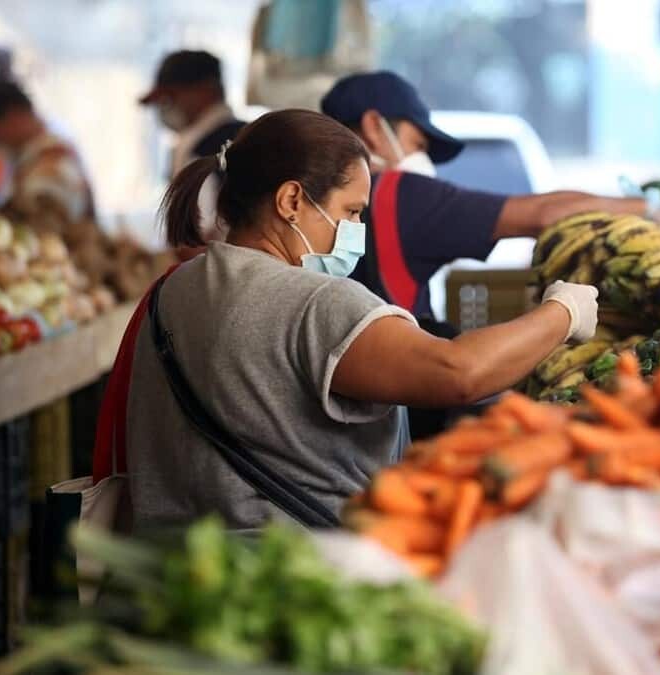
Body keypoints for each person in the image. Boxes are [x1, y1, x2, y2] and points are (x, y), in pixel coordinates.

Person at [125, 109, 598, 530]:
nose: (357, 231)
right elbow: (459, 372)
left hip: (168, 573)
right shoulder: (316, 303)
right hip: (298, 576)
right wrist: (563, 312)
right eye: (351, 211)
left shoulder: (172, 290)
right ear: (291, 201)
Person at [319, 71, 660, 321]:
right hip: (389, 408)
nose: (421, 161)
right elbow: (543, 214)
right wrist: (648, 209)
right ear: (373, 127)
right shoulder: (399, 197)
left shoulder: (309, 195)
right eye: (417, 143)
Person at [140, 50, 246, 248]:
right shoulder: (252, 134)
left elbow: (195, 241)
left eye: (171, 97)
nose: (165, 108)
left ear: (205, 91)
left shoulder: (200, 151)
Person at [0, 81, 95, 231]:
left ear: (14, 117)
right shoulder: (40, 154)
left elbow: (44, 229)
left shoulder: (51, 162)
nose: (0, 140)